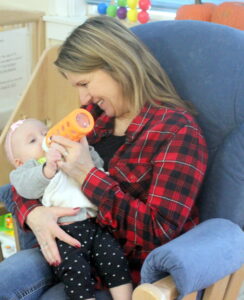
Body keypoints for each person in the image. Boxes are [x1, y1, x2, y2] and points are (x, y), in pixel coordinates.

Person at [0, 15, 208, 300]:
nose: (83, 97)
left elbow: (160, 232)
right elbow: (29, 177)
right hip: (67, 246)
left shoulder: (177, 133)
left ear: (117, 65)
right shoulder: (93, 119)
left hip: (121, 274)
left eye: (84, 83)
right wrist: (34, 214)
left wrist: (87, 175)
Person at [4, 117, 132, 300]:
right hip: (64, 233)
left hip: (94, 224)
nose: (44, 139)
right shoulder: (29, 170)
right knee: (74, 272)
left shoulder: (68, 155)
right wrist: (48, 168)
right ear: (19, 162)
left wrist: (84, 152)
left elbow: (96, 166)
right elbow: (26, 188)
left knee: (114, 258)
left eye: (44, 132)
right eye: (33, 141)